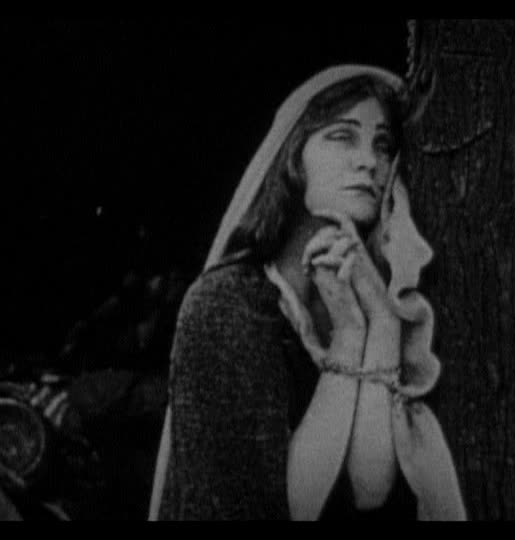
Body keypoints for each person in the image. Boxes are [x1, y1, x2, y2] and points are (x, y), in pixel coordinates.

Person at [148, 65, 466, 520]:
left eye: (382, 145)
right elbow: (272, 507)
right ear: (294, 157)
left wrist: (377, 320)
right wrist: (348, 338)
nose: (369, 161)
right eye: (343, 136)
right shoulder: (228, 304)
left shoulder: (367, 297)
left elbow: (369, 491)